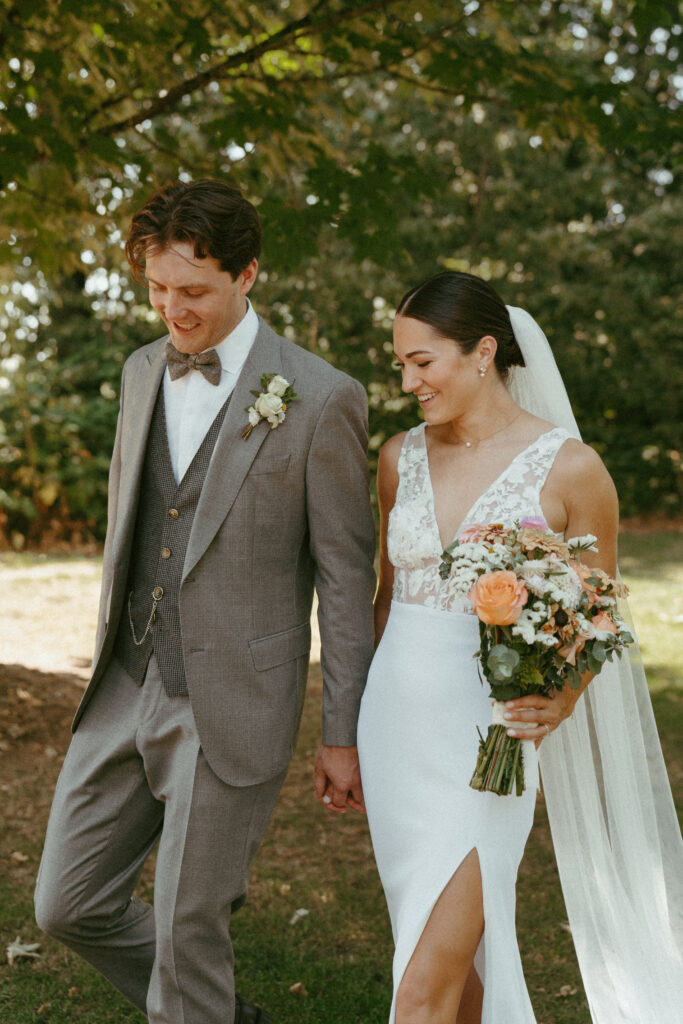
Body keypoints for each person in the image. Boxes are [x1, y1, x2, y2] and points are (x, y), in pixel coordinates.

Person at [34, 179, 376, 1024]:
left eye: (193, 289)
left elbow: (343, 579)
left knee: (191, 925)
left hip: (234, 698)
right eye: (156, 288)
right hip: (123, 681)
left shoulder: (320, 396)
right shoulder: (140, 369)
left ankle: (193, 1002)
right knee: (66, 903)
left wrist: (342, 733)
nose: (171, 309)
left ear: (247, 272)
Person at [357, 270, 683, 1024]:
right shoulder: (395, 457)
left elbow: (600, 618)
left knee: (420, 988)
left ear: (481, 352)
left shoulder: (570, 469)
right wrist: (348, 732)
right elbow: (385, 598)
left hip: (488, 745)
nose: (407, 380)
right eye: (399, 363)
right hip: (395, 732)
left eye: (421, 362)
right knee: (452, 969)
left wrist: (556, 701)